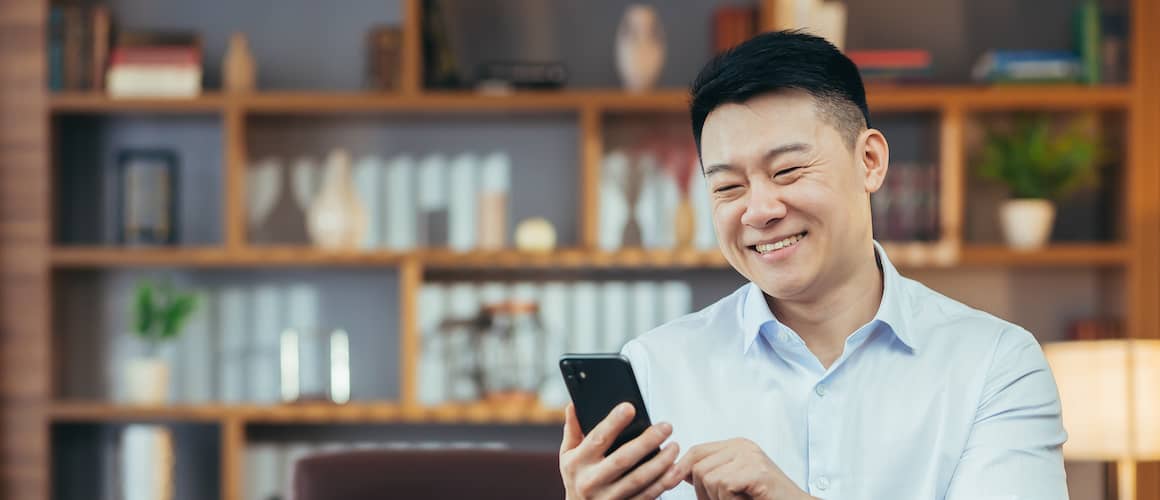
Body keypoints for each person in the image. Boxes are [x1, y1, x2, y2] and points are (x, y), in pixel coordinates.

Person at [558, 31, 1068, 500]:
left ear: (869, 161)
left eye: (787, 170)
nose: (758, 211)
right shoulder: (654, 368)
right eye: (728, 187)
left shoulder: (995, 366)